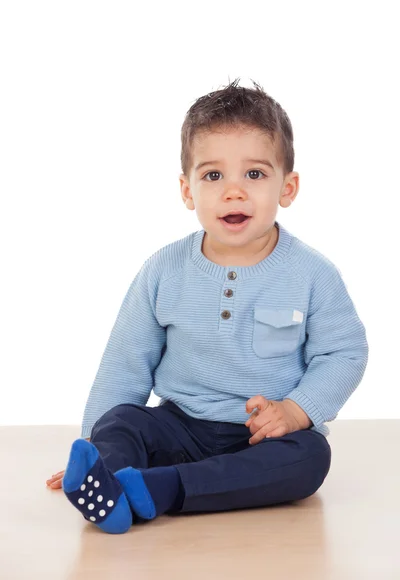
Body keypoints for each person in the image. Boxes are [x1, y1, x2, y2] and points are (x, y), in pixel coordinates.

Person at [46, 78, 369, 534]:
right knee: (121, 422)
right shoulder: (164, 269)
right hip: (180, 426)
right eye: (213, 176)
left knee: (310, 459)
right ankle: (107, 480)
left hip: (262, 437)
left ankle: (158, 489)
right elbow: (126, 362)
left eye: (254, 174)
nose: (233, 192)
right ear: (186, 190)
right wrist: (93, 444)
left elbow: (344, 353)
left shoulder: (311, 273)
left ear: (288, 188)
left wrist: (296, 411)